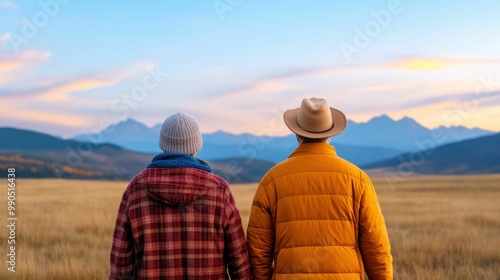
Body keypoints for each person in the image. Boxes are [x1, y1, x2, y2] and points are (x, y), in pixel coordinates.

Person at [247, 98, 393, 279]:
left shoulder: (271, 180)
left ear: (296, 135)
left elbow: (258, 251)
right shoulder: (358, 179)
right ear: (330, 135)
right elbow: (376, 246)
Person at [110, 112, 252, 280]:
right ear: (197, 145)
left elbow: (120, 265)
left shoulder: (135, 190)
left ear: (163, 144)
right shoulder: (219, 190)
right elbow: (239, 261)